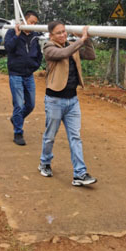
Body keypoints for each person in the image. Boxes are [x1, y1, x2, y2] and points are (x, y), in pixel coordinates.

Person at [37, 21, 97, 186]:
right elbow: (63, 53)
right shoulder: (49, 48)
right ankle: (45, 162)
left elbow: (91, 56)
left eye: (64, 32)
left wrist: (87, 40)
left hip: (72, 100)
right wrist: (81, 40)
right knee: (50, 136)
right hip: (55, 100)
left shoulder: (72, 46)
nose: (63, 35)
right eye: (59, 33)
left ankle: (80, 174)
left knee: (75, 137)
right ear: (51, 35)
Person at [4, 10, 42, 146]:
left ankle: (16, 119)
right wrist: (16, 35)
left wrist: (35, 65)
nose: (33, 25)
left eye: (35, 23)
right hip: (16, 74)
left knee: (30, 105)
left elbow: (38, 53)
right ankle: (18, 133)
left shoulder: (35, 36)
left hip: (28, 74)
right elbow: (8, 48)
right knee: (19, 104)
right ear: (25, 21)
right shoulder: (12, 32)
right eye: (32, 22)